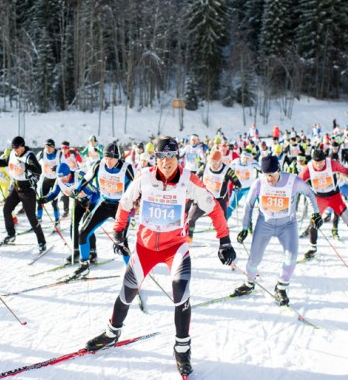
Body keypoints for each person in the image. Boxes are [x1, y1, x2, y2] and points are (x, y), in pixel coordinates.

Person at [84, 136, 236, 377]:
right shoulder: (144, 177)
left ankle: (182, 349)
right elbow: (125, 203)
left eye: (172, 156)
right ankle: (112, 334)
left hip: (174, 248)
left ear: (178, 157)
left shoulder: (188, 180)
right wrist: (118, 233)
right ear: (156, 158)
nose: (167, 162)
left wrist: (224, 240)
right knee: (127, 291)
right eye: (162, 157)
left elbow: (214, 207)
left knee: (180, 292)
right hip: (144, 248)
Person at [232, 155, 321, 305]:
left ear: (279, 170)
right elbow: (248, 205)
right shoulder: (259, 182)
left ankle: (281, 287)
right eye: (266, 175)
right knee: (254, 259)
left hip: (287, 225)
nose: (269, 179)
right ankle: (249, 283)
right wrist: (245, 227)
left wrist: (316, 213)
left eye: (272, 175)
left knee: (291, 257)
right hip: (264, 224)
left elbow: (310, 194)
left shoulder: (293, 181)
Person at [72, 142, 135, 275]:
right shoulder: (98, 165)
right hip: (105, 204)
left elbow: (138, 184)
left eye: (111, 158)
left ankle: (131, 272)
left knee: (122, 241)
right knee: (83, 232)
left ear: (118, 157)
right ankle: (84, 265)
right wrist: (77, 190)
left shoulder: (126, 168)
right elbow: (86, 178)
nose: (108, 161)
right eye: (106, 158)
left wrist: (136, 203)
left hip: (121, 207)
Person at [298, 149, 348, 258]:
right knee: (314, 222)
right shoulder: (307, 169)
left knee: (347, 218)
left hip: (335, 197)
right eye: (316, 163)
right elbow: (296, 182)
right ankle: (312, 249)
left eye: (321, 162)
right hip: (319, 199)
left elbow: (346, 171)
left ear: (325, 160)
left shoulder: (331, 164)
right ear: (313, 161)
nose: (319, 165)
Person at [0, 136, 47, 252]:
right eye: (13, 148)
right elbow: (4, 163)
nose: (15, 150)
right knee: (6, 209)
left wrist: (26, 166)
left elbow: (39, 170)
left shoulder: (29, 155)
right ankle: (11, 234)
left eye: (17, 148)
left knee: (31, 217)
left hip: (27, 189)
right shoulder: (12, 153)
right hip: (16, 186)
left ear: (22, 146)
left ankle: (42, 241)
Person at [38, 163, 100, 263]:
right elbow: (54, 193)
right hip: (78, 201)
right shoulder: (59, 181)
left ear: (69, 174)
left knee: (86, 226)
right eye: (60, 177)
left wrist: (89, 203)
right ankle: (76, 251)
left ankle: (92, 252)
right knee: (73, 226)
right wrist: (45, 199)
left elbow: (96, 193)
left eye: (65, 176)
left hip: (90, 201)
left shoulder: (79, 177)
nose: (63, 179)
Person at [189, 149, 241, 232]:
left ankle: (223, 238)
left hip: (219, 200)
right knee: (191, 219)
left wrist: (237, 188)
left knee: (223, 221)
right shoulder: (205, 166)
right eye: (211, 162)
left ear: (220, 161)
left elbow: (238, 183)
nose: (212, 165)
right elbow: (196, 177)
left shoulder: (227, 170)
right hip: (204, 197)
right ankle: (189, 237)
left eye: (215, 163)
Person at [226, 149, 261, 220]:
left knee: (248, 207)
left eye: (248, 158)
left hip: (248, 189)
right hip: (237, 189)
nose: (246, 159)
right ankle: (223, 223)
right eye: (244, 157)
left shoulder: (252, 163)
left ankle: (248, 224)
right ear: (241, 156)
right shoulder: (236, 162)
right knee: (231, 206)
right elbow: (227, 171)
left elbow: (262, 170)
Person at [36, 139, 62, 226]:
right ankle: (38, 218)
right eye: (46, 147)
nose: (48, 149)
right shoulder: (42, 153)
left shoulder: (59, 154)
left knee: (54, 202)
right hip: (46, 179)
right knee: (41, 200)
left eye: (50, 147)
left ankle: (57, 220)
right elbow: (34, 163)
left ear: (53, 147)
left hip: (55, 180)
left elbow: (65, 166)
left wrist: (58, 167)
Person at [59, 141, 83, 217]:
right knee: (65, 192)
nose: (64, 150)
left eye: (66, 148)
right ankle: (66, 210)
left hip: (75, 174)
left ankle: (82, 208)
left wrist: (77, 153)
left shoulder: (73, 153)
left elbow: (80, 160)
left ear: (68, 148)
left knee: (79, 192)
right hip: (66, 176)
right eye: (62, 148)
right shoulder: (60, 156)